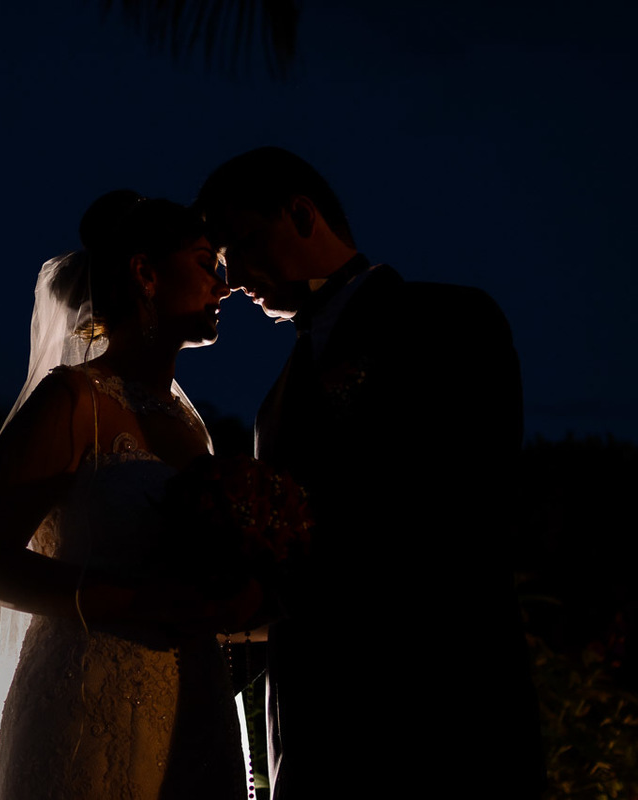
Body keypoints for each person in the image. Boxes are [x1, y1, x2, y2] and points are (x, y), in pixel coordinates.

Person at [0, 191, 257, 799]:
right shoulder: (72, 401)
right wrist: (137, 602)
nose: (222, 287)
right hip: (90, 698)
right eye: (203, 263)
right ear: (145, 273)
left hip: (196, 696)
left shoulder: (191, 427)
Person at [194, 147, 545, 799]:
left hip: (442, 723)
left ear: (302, 213)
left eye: (242, 244)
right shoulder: (275, 399)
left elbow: (463, 510)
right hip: (315, 740)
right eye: (223, 260)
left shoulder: (450, 321)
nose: (234, 276)